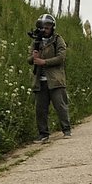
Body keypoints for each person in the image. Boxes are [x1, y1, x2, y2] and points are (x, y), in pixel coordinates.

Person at [29, 13, 71, 142]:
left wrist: (44, 62)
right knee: (40, 109)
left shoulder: (58, 40)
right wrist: (34, 57)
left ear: (52, 28)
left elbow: (61, 58)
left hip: (55, 80)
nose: (44, 30)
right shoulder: (36, 42)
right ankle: (43, 134)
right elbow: (30, 60)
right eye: (42, 27)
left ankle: (66, 129)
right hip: (40, 81)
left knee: (60, 106)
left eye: (47, 27)